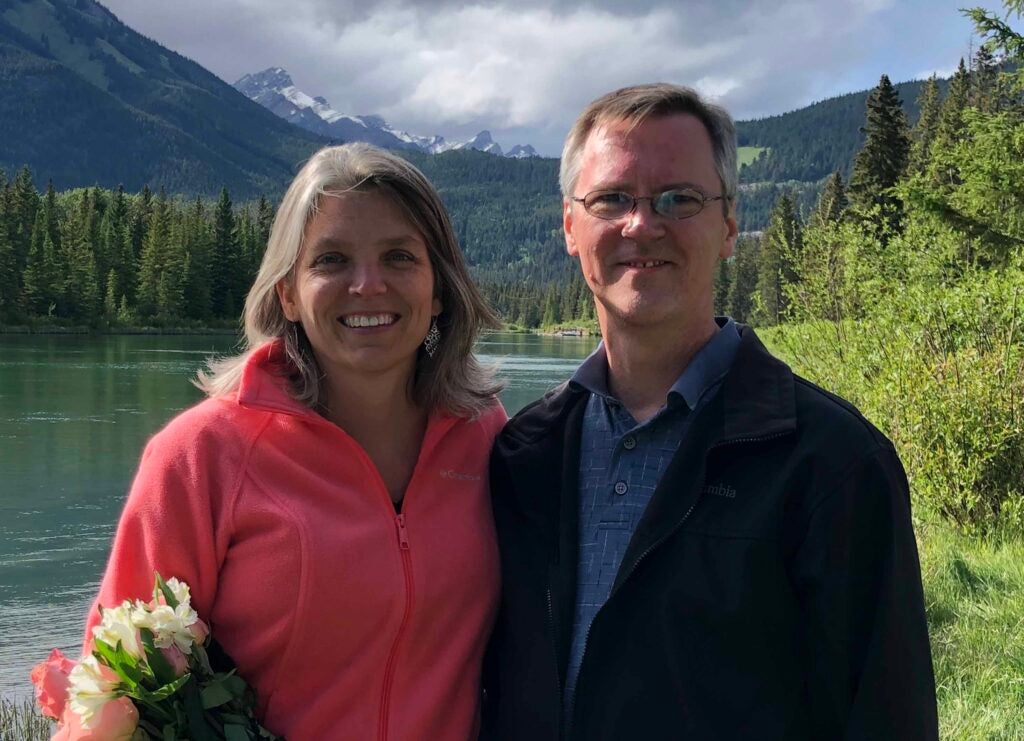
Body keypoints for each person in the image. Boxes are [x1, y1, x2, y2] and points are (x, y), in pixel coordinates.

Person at [485, 84, 938, 739]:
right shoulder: (523, 452)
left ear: (728, 227)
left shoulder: (832, 462)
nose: (642, 224)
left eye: (680, 198)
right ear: (569, 228)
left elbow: (885, 718)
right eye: (612, 198)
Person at [84, 143, 507, 740]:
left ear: (438, 288)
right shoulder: (202, 454)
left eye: (399, 257)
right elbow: (113, 687)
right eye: (331, 260)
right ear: (287, 293)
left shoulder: (483, 432)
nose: (368, 286)